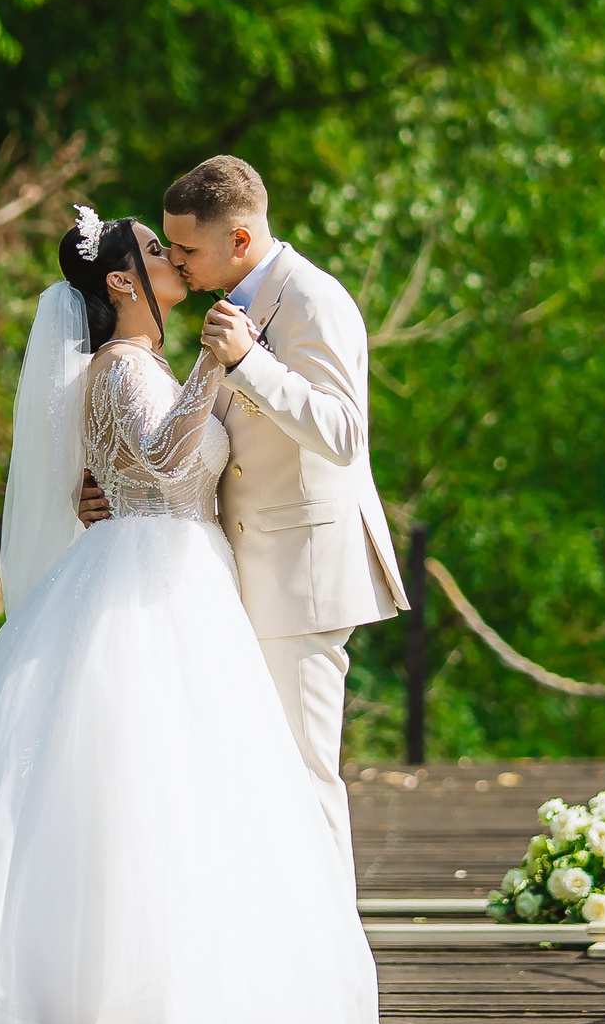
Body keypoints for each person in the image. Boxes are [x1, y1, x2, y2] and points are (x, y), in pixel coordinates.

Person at [0, 208, 379, 1024]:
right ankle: (115, 1014)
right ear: (120, 280)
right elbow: (163, 461)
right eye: (157, 252)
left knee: (177, 795)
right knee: (133, 789)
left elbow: (156, 465)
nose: (173, 261)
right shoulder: (122, 364)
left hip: (186, 573)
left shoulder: (149, 363)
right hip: (147, 580)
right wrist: (216, 363)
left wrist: (196, 382)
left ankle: (169, 1003)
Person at [82, 156, 407, 877]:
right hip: (229, 576)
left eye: (186, 248)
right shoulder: (228, 304)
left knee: (304, 773)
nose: (178, 262)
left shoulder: (313, 299)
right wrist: (113, 487)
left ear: (238, 239)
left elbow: (345, 435)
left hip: (299, 575)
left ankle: (330, 939)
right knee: (253, 776)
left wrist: (248, 363)